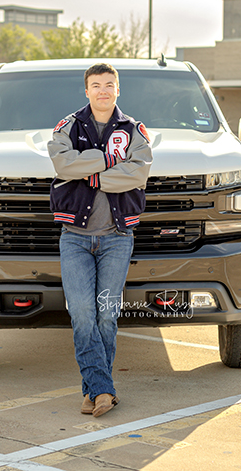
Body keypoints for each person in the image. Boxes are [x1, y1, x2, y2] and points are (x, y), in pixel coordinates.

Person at [48, 63, 153, 417]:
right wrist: (108, 161)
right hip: (74, 239)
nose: (103, 91)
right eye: (96, 85)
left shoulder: (133, 130)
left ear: (118, 90)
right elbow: (63, 165)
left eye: (109, 85)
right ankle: (103, 389)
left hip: (116, 239)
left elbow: (138, 172)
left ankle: (94, 391)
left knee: (107, 315)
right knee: (81, 314)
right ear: (87, 90)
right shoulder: (68, 126)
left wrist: (91, 174)